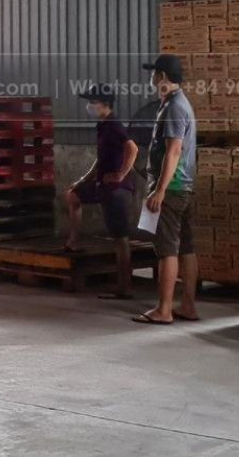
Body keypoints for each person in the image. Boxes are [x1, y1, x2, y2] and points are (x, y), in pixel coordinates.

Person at [133, 54, 199, 325]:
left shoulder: (173, 108)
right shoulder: (181, 104)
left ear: (162, 77)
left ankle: (164, 310)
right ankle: (188, 306)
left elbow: (174, 151)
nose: (151, 79)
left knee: (167, 250)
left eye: (154, 74)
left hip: (171, 189)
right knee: (187, 248)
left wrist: (160, 190)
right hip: (185, 186)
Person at [64, 84, 139, 300]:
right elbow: (101, 159)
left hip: (116, 190)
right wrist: (82, 180)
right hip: (102, 185)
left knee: (120, 238)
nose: (89, 106)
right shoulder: (103, 125)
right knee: (73, 195)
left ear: (105, 104)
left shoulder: (114, 125)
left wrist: (121, 174)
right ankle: (73, 242)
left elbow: (133, 149)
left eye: (93, 102)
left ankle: (124, 286)